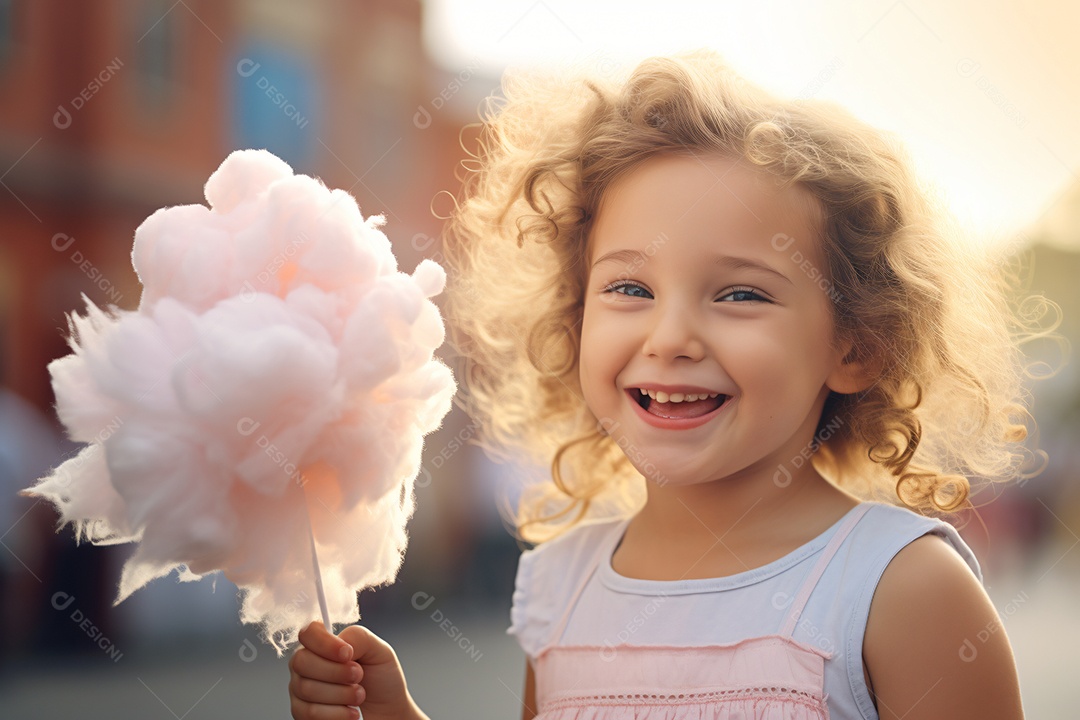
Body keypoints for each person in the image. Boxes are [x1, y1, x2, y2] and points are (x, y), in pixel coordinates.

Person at [288, 51, 1040, 720]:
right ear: (573, 317)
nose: (671, 336)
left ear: (856, 347)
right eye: (629, 288)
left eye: (741, 294)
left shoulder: (903, 592)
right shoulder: (560, 590)